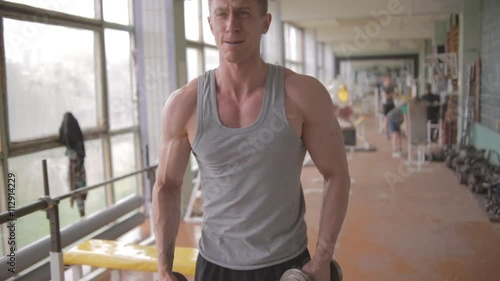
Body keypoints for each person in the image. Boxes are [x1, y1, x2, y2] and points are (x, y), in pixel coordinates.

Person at [152, 0, 351, 281]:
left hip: (285, 264)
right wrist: (162, 268)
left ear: (265, 23)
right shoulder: (185, 104)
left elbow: (337, 175)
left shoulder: (302, 94)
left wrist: (322, 259)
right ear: (211, 23)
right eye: (222, 14)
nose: (231, 24)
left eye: (243, 13)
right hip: (214, 268)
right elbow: (166, 186)